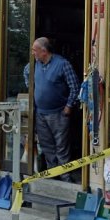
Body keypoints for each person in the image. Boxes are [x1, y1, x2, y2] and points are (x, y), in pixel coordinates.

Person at [28, 37, 80, 183]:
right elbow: (26, 74)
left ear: (44, 51)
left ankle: (65, 177)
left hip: (59, 113)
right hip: (40, 113)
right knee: (47, 146)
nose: (32, 53)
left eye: (34, 50)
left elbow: (75, 87)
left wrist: (69, 106)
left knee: (62, 146)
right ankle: (52, 175)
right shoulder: (34, 65)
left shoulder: (62, 64)